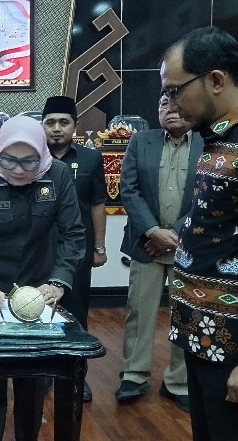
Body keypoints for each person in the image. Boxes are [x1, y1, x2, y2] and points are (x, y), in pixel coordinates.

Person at [0, 115, 85, 441]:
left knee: (32, 378)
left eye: (28, 162)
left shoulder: (57, 175)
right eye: (9, 160)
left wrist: (58, 281)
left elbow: (72, 235)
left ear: (42, 154)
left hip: (38, 287)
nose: (17, 170)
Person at [160, 26, 238, 440]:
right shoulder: (215, 139)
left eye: (175, 91)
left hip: (231, 344)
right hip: (201, 331)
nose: (171, 103)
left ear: (216, 80)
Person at [115, 94, 203, 412]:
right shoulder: (141, 141)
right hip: (146, 245)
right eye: (165, 104)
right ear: (157, 110)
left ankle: (178, 382)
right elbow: (129, 190)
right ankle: (133, 375)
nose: (171, 110)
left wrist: (173, 235)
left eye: (178, 105)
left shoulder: (206, 143)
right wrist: (153, 231)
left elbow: (207, 193)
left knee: (185, 316)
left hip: (188, 247)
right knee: (139, 312)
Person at [42, 95, 108, 402]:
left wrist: (99, 247)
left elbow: (97, 204)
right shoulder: (32, 157)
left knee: (77, 312)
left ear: (75, 126)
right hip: (40, 250)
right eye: (50, 122)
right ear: (42, 126)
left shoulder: (91, 159)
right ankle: (43, 373)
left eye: (63, 122)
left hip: (77, 251)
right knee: (40, 310)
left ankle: (77, 377)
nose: (57, 128)